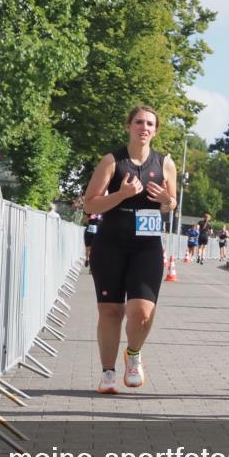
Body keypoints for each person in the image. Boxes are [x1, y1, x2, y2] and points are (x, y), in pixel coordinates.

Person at [83, 105, 177, 394]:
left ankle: (133, 355)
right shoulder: (112, 161)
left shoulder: (165, 163)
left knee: (142, 312)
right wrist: (121, 194)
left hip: (146, 247)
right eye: (139, 122)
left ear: (156, 130)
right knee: (111, 311)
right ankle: (108, 372)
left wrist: (166, 201)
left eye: (150, 123)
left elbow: (171, 204)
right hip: (111, 244)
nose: (144, 127)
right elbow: (90, 204)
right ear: (128, 126)